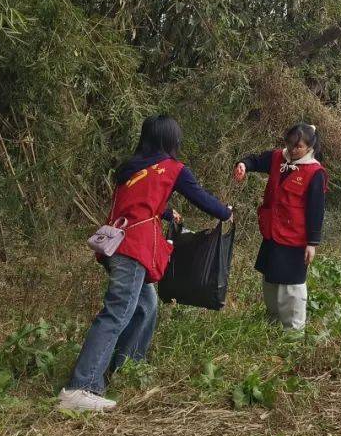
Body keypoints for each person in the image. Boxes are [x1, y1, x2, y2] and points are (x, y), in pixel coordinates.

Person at [59, 115, 233, 413]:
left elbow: (139, 202)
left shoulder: (134, 169)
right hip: (132, 249)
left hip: (116, 244)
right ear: (171, 141)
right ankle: (80, 387)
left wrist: (166, 214)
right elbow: (201, 198)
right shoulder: (173, 168)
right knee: (117, 312)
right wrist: (225, 212)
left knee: (146, 305)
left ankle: (127, 367)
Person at [234, 123, 326, 330]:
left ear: (310, 147)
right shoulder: (277, 158)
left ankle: (293, 330)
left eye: (299, 146)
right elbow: (256, 160)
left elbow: (316, 210)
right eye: (290, 144)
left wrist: (312, 243)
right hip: (272, 231)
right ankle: (273, 318)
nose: (293, 150)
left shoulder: (314, 172)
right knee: (270, 278)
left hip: (295, 237)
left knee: (292, 286)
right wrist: (243, 165)